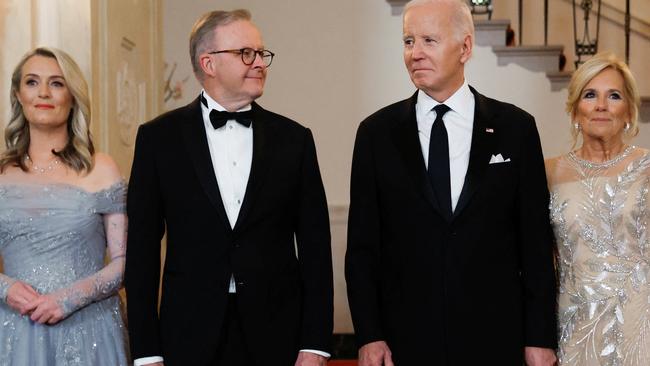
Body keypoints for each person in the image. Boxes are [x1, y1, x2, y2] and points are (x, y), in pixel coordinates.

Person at [345, 0, 558, 365]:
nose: (415, 53)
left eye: (429, 40)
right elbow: (363, 249)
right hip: (404, 342)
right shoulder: (375, 134)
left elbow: (535, 244)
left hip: (496, 339)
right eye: (408, 41)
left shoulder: (516, 129)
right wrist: (369, 335)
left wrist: (539, 336)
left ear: (465, 47)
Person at [125, 9, 333, 366]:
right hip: (188, 335)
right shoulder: (158, 139)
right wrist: (146, 352)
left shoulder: (294, 140)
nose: (259, 63)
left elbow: (316, 249)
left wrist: (315, 344)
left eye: (261, 54)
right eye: (245, 53)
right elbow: (142, 252)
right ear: (208, 63)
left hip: (277, 334)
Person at [0, 47, 128, 365]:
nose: (43, 92)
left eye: (57, 83)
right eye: (32, 82)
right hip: (15, 330)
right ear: (18, 94)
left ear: (72, 96)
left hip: (90, 331)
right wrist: (7, 288)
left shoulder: (101, 168)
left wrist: (68, 299)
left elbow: (125, 262)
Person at [546, 52, 648, 365]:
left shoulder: (647, 167)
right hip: (573, 324)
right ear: (575, 109)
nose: (601, 105)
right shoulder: (548, 173)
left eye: (613, 96)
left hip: (640, 324)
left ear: (629, 109)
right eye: (590, 95)